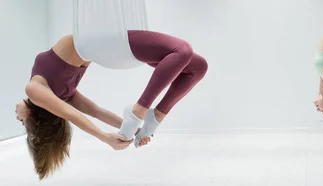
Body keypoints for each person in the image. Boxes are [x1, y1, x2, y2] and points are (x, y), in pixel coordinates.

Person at [15, 30, 208, 179]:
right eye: (24, 124)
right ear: (35, 119)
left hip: (104, 45)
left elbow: (93, 112)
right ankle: (146, 113)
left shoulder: (60, 93)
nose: (18, 117)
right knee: (187, 56)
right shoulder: (34, 90)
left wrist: (126, 131)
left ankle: (149, 115)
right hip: (106, 44)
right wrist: (109, 135)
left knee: (196, 65)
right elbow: (81, 114)